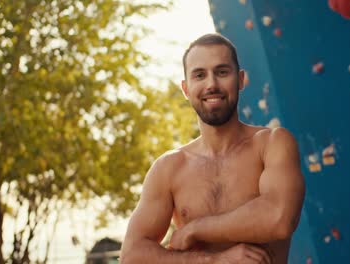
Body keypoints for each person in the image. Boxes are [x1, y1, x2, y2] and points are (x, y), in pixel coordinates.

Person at [119, 33, 305, 264]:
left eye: (222, 72)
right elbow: (132, 255)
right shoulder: (169, 167)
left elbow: (280, 218)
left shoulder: (272, 144)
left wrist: (195, 228)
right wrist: (212, 261)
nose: (211, 84)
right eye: (199, 75)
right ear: (186, 89)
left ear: (240, 80)